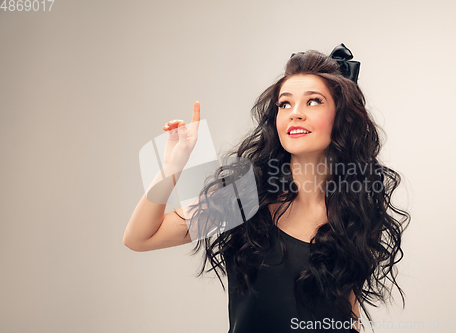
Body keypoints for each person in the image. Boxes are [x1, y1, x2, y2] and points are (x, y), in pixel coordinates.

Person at [123, 44, 410, 333]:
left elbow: (348, 313)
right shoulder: (246, 195)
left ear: (341, 117)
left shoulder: (356, 207)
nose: (294, 113)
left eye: (313, 102)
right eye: (285, 104)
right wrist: (172, 169)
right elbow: (140, 237)